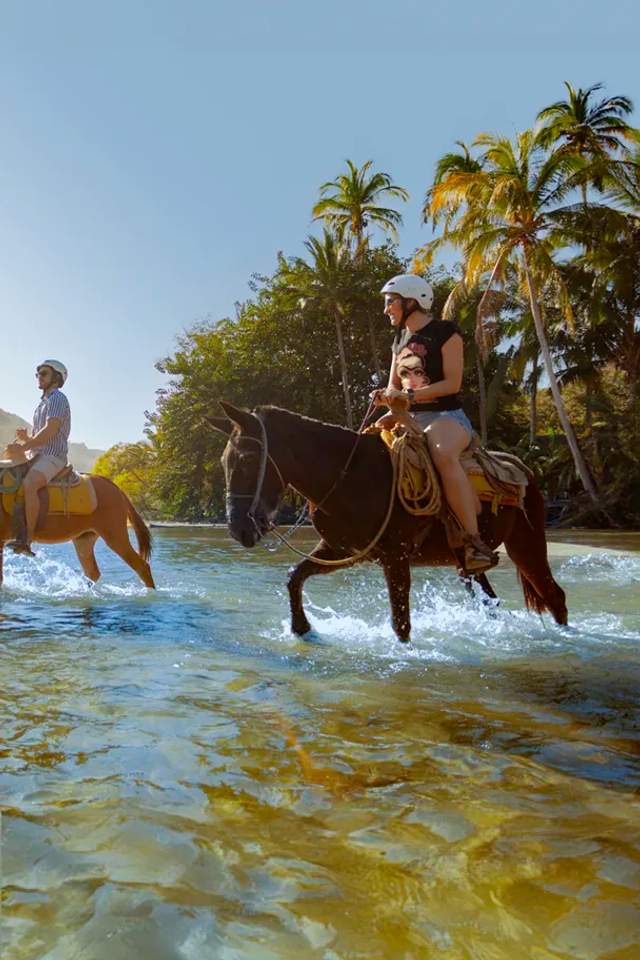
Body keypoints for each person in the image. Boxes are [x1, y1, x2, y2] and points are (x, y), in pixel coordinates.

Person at [372, 274, 498, 573]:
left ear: (411, 301)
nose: (386, 310)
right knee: (367, 446)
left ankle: (474, 542)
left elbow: (452, 384)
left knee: (441, 453)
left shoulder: (445, 332)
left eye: (391, 303)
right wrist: (385, 398)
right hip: (408, 416)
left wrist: (408, 395)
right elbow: (393, 388)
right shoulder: (398, 340)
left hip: (446, 417)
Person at [4, 360, 71, 556]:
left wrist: (25, 445)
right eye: (38, 374)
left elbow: (50, 431)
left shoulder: (58, 398)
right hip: (36, 455)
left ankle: (27, 539)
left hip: (53, 457)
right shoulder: (42, 404)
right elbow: (38, 438)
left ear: (56, 378)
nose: (39, 377)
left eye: (43, 373)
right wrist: (26, 439)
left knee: (30, 484)